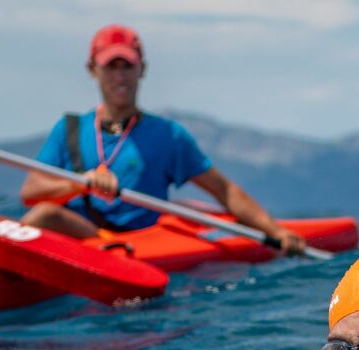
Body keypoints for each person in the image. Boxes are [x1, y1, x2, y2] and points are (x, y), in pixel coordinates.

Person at [19, 24, 305, 255]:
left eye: (127, 66)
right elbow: (30, 192)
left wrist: (275, 231)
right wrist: (80, 184)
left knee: (46, 216)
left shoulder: (168, 135)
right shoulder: (68, 128)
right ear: (92, 70)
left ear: (142, 69)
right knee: (45, 213)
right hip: (75, 237)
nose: (120, 76)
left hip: (138, 246)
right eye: (110, 66)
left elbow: (224, 191)